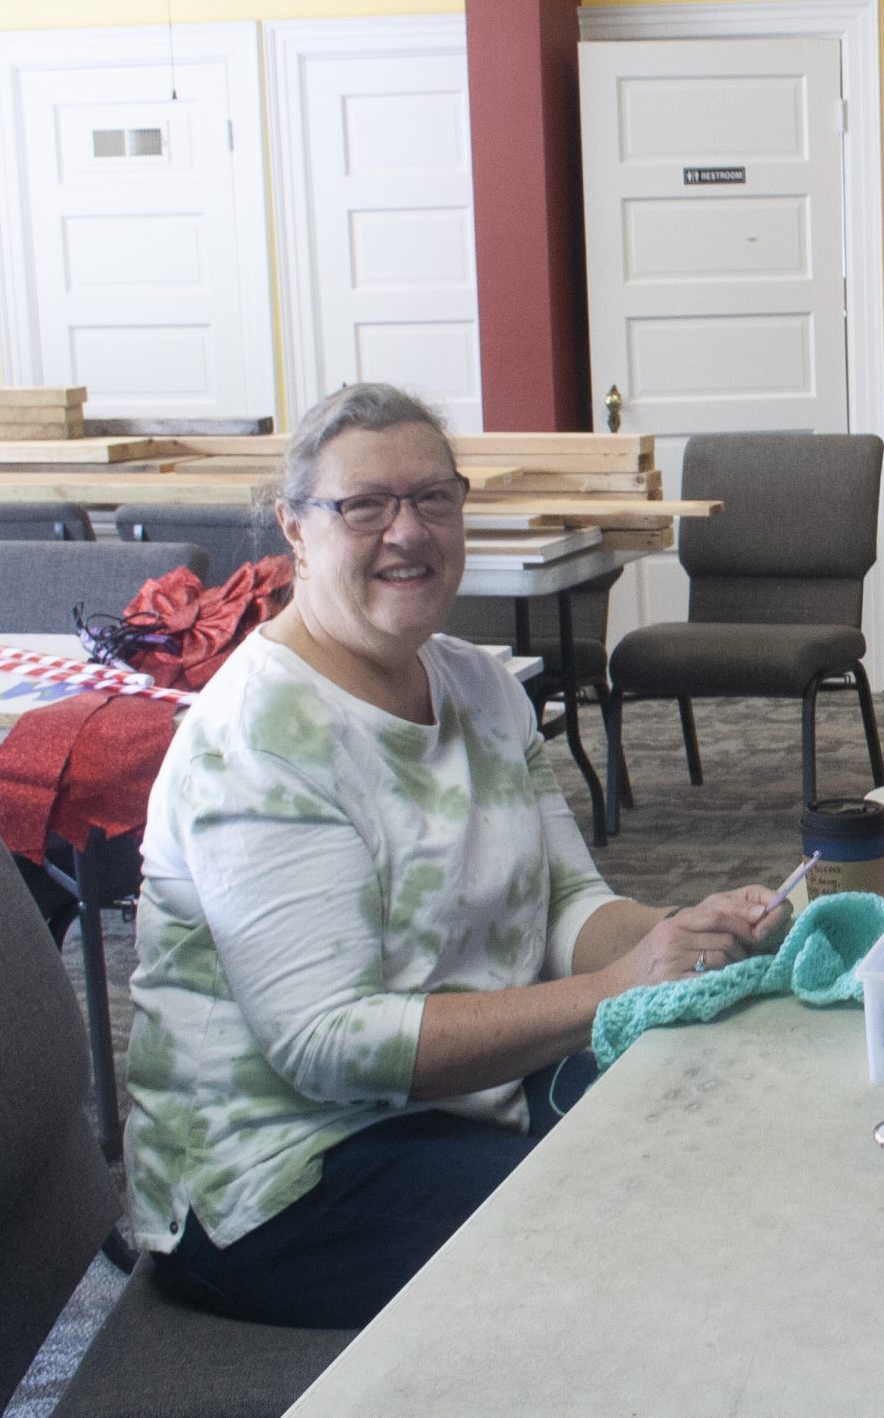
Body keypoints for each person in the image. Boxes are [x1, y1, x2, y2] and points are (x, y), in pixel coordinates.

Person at [123, 384, 782, 1329]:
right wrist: (620, 988)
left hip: (464, 1102)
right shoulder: (260, 735)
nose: (409, 530)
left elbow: (565, 904)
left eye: (435, 497)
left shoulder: (477, 683)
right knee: (643, 1237)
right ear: (295, 530)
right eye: (365, 505)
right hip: (284, 1176)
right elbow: (327, 1046)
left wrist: (683, 934)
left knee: (709, 1114)